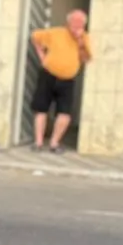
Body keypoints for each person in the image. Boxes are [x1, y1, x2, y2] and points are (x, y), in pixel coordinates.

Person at [30, 9, 93, 152]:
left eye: (80, 24)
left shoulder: (85, 38)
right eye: (74, 23)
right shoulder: (56, 33)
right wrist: (42, 56)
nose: (77, 26)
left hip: (68, 78)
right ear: (68, 23)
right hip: (48, 74)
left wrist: (80, 42)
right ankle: (38, 142)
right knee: (41, 108)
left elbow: (86, 59)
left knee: (64, 113)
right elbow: (35, 36)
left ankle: (54, 143)